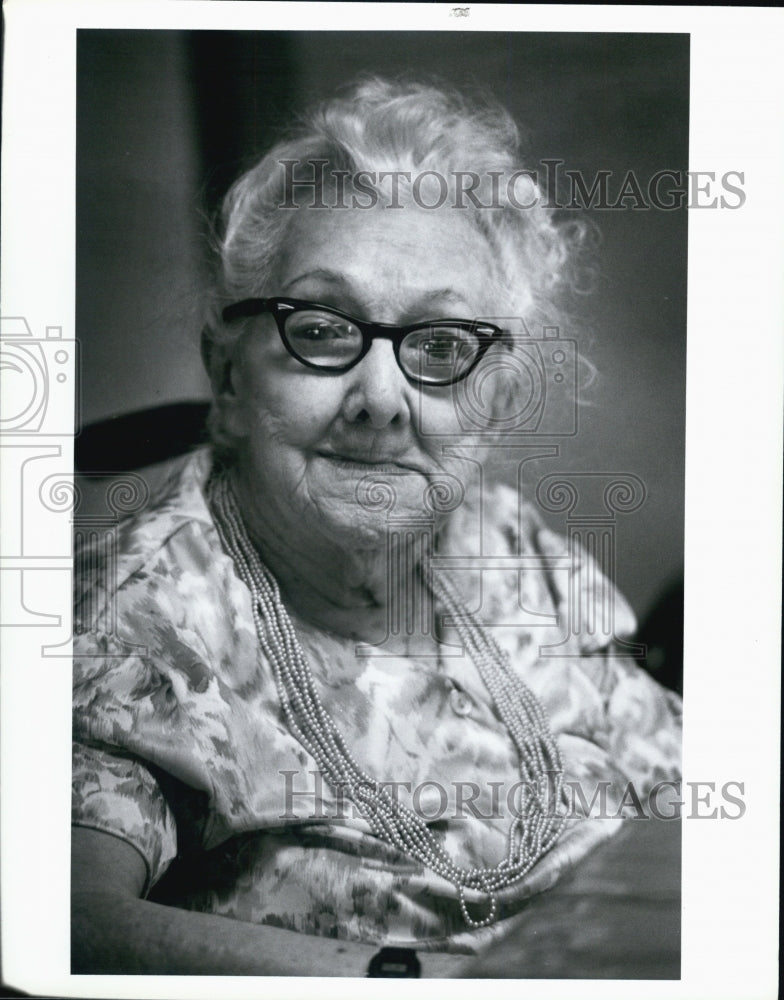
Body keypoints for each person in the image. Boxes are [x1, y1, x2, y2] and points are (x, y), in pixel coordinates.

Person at [71, 76, 681, 977]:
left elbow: (677, 775)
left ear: (498, 399)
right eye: (320, 328)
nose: (382, 402)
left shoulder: (507, 541)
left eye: (440, 347)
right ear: (230, 380)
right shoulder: (133, 623)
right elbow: (63, 927)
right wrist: (415, 984)